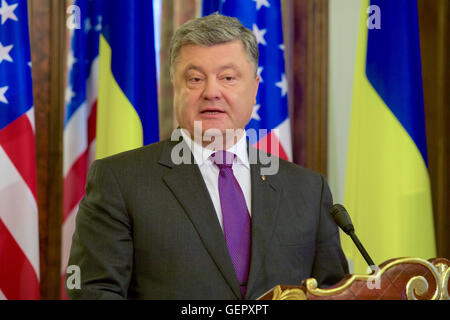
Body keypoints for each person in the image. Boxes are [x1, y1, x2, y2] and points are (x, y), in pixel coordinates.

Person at [66, 13, 348, 300]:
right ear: (174, 88)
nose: (211, 92)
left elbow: (334, 292)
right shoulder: (119, 181)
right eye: (195, 79)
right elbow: (94, 292)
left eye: (228, 78)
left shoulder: (308, 190)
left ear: (255, 88)